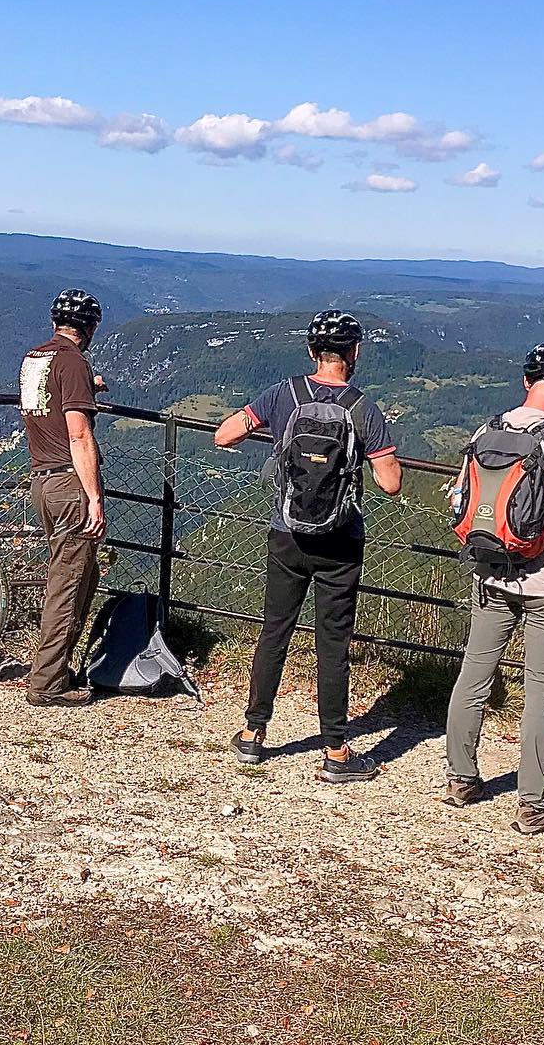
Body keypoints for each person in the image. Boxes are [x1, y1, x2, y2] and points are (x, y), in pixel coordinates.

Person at [213, 310, 403, 782]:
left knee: (274, 630)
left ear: (312, 352)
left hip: (287, 532)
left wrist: (280, 440)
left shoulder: (285, 394)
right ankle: (337, 750)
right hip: (340, 540)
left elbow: (224, 435)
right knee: (333, 642)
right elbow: (392, 483)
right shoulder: (362, 408)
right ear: (354, 353)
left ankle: (254, 734)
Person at [442, 343, 544, 832]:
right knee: (541, 689)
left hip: (491, 570)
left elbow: (464, 500)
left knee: (476, 672)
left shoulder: (486, 431)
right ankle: (533, 803)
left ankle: (460, 777)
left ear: (524, 382)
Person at [20, 288, 107, 707]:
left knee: (77, 577)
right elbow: (78, 432)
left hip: (41, 477)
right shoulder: (73, 360)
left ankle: (57, 668)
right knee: (68, 584)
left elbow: (50, 398)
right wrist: (94, 496)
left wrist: (87, 385)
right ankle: (48, 680)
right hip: (69, 482)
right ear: (89, 328)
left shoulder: (37, 358)